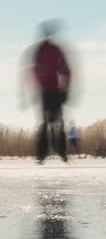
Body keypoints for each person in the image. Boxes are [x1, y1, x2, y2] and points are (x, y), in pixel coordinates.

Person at [26, 21, 72, 162]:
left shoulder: (40, 50)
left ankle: (42, 154)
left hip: (46, 91)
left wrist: (36, 86)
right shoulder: (54, 50)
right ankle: (60, 151)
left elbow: (35, 70)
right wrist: (66, 88)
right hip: (54, 91)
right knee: (58, 122)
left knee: (46, 122)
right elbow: (65, 69)